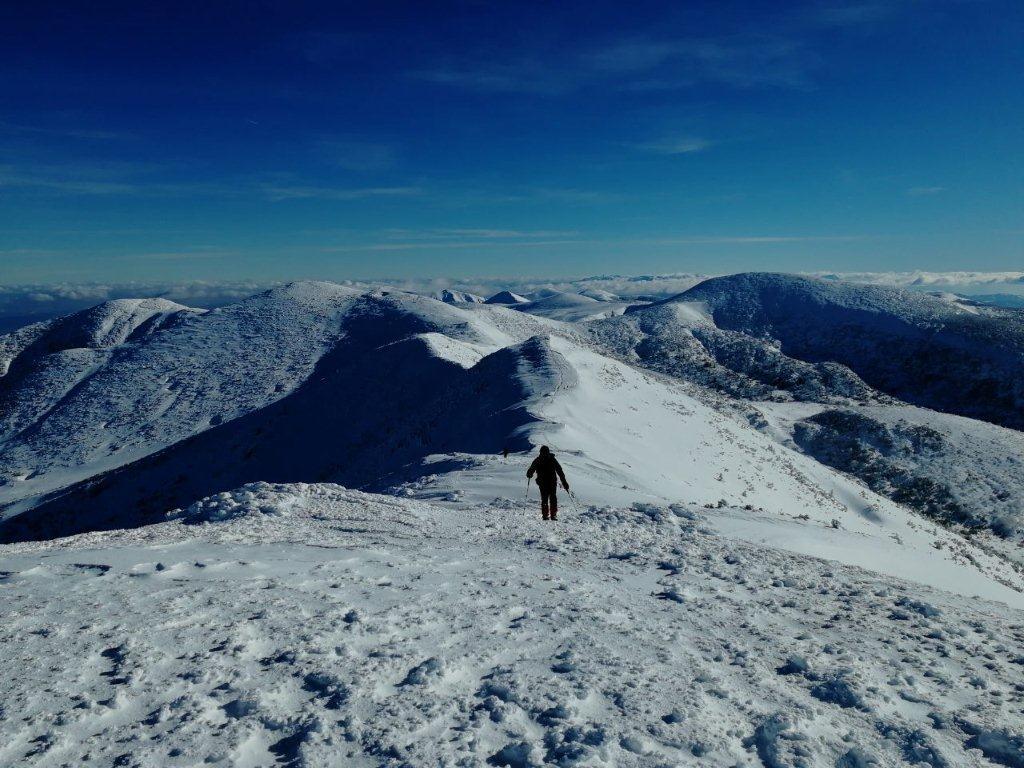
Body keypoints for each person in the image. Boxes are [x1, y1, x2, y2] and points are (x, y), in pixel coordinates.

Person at [526, 445, 569, 521]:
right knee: (552, 498)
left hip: (544, 482)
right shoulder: (551, 459)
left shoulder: (539, 460)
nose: (544, 454)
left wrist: (529, 474)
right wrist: (564, 482)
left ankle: (546, 515)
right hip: (549, 482)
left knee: (545, 498)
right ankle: (552, 515)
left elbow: (531, 469)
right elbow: (560, 471)